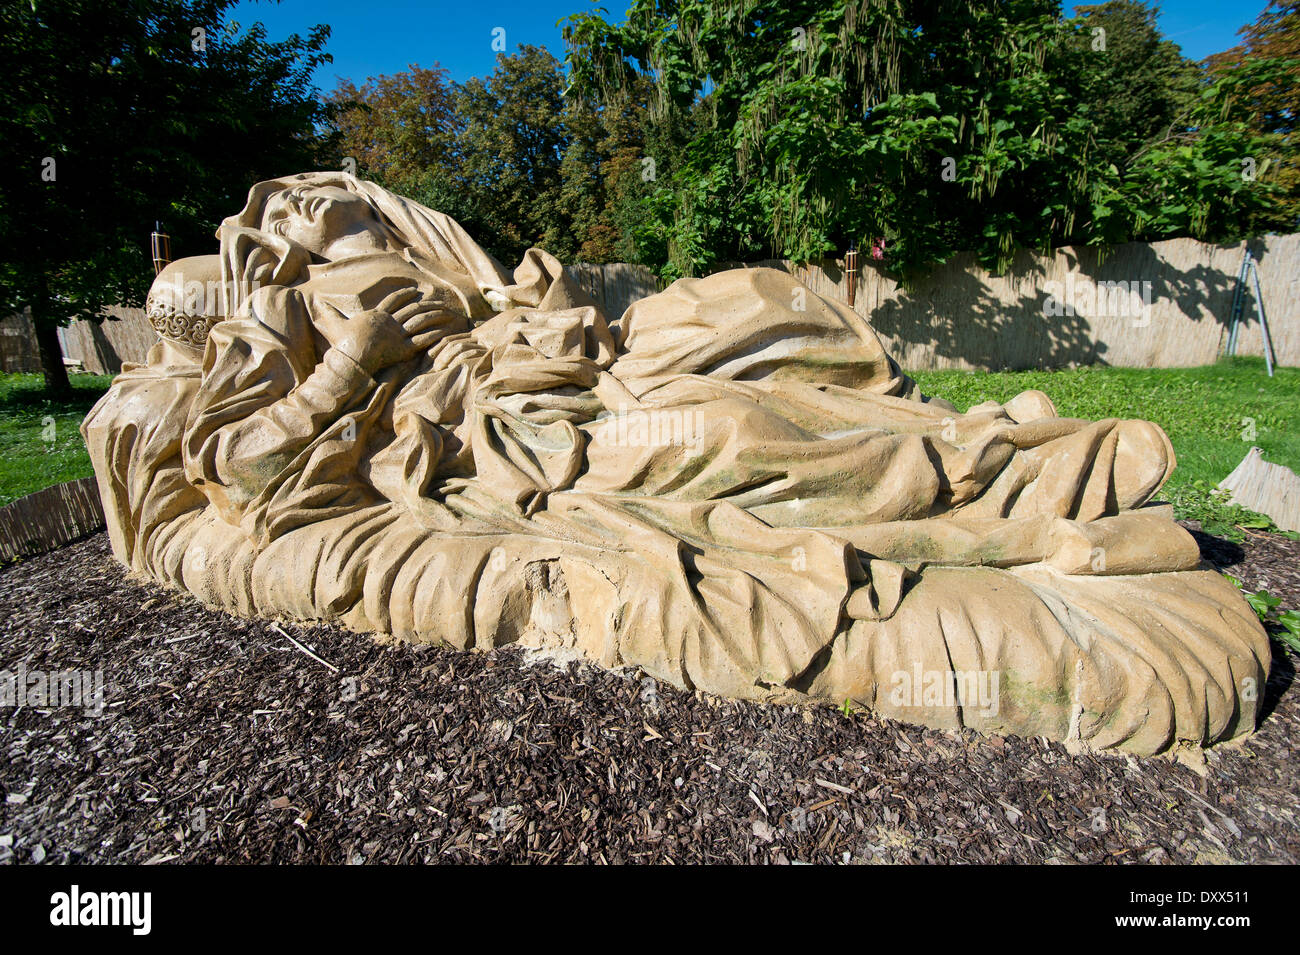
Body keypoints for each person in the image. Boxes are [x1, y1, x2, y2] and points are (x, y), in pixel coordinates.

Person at [83, 172, 1268, 756]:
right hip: (485, 449)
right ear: (205, 328)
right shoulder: (240, 375)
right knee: (718, 442)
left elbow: (487, 301)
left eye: (297, 211)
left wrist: (508, 319)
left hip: (537, 378)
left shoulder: (387, 254)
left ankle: (995, 460)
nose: (283, 225)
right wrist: (351, 362)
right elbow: (261, 482)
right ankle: (1010, 517)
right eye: (262, 242)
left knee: (745, 342)